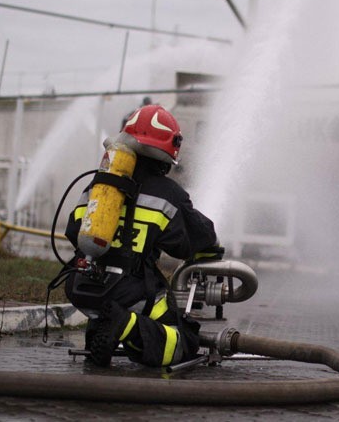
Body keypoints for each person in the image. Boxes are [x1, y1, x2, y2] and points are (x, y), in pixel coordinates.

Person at [63, 104, 223, 367]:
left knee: (118, 301)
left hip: (80, 284)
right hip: (129, 292)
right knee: (183, 340)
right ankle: (123, 325)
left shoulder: (101, 185)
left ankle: (103, 332)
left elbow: (73, 230)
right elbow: (193, 239)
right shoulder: (168, 194)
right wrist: (213, 248)